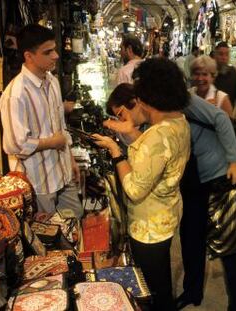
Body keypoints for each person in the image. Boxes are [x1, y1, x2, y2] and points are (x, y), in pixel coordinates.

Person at [93, 58, 191, 311]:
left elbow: (135, 189)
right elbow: (154, 160)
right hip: (165, 214)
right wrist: (133, 134)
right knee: (161, 281)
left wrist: (116, 151)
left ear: (149, 98)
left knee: (152, 288)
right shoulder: (178, 122)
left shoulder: (157, 135)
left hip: (149, 225)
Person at [0, 24, 82, 218]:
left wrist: (70, 159)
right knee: (48, 234)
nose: (56, 56)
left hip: (62, 172)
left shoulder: (52, 82)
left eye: (54, 49)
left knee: (74, 218)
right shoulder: (16, 94)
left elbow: (59, 126)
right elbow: (15, 144)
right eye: (48, 52)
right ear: (29, 56)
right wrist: (51, 142)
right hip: (38, 182)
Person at [175, 93, 236, 311]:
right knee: (190, 237)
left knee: (229, 242)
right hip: (192, 177)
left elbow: (221, 118)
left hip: (219, 174)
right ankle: (192, 291)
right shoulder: (156, 105)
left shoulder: (182, 98)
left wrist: (235, 161)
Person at [214, 42, 236, 118]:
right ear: (215, 55)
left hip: (227, 116)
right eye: (221, 54)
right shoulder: (209, 73)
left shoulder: (234, 72)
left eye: (226, 54)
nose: (224, 57)